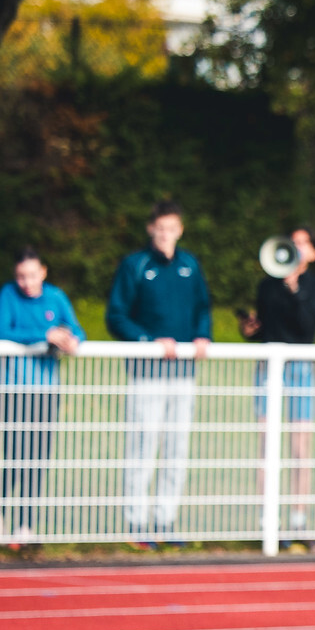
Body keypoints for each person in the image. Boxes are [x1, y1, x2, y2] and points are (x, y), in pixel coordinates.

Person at [107, 200, 211, 548]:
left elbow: (202, 308)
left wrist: (202, 335)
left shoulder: (189, 265)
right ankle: (136, 523)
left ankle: (166, 520)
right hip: (147, 372)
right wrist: (149, 341)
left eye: (172, 229)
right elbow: (116, 316)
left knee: (176, 447)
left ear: (180, 230)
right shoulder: (134, 265)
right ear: (151, 229)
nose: (166, 235)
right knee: (143, 444)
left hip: (183, 373)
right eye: (160, 229)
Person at [0, 247, 83, 549]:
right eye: (20, 276)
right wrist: (45, 334)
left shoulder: (55, 297)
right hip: (14, 389)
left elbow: (75, 327)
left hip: (46, 390)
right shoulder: (8, 295)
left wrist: (71, 338)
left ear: (43, 272)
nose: (26, 282)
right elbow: (2, 330)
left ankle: (26, 525)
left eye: (31, 275)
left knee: (37, 460)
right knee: (16, 457)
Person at [243, 226, 315, 548]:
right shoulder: (267, 285)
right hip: (268, 371)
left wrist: (295, 291)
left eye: (303, 243)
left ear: (313, 252)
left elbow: (308, 324)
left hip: (300, 370)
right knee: (267, 446)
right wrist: (249, 328)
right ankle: (268, 523)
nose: (295, 248)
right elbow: (265, 330)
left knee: (299, 449)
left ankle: (298, 522)